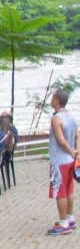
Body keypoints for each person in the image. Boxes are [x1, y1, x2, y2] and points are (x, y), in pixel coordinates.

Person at [48, 89, 79, 235]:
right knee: (69, 189)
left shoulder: (56, 119)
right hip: (70, 160)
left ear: (57, 101)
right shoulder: (71, 117)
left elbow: (60, 140)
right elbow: (77, 136)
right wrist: (76, 151)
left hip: (59, 160)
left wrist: (71, 151)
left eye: (52, 98)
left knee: (60, 192)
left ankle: (63, 223)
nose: (51, 100)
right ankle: (69, 218)